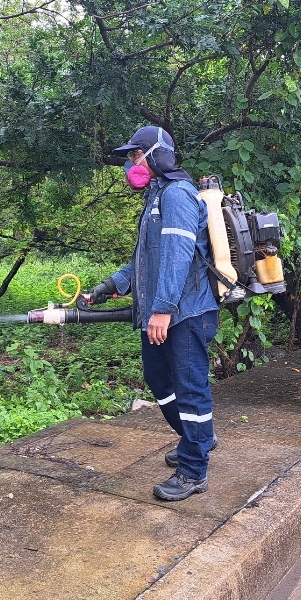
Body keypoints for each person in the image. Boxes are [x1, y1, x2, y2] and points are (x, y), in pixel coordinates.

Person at [87, 125, 220, 501]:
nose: (131, 164)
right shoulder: (157, 196)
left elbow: (178, 258)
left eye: (135, 155)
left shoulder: (177, 194)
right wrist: (108, 287)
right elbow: (145, 261)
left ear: (157, 155)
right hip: (165, 313)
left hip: (187, 312)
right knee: (158, 379)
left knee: (190, 389)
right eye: (130, 157)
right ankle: (198, 439)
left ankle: (193, 471)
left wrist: (163, 310)